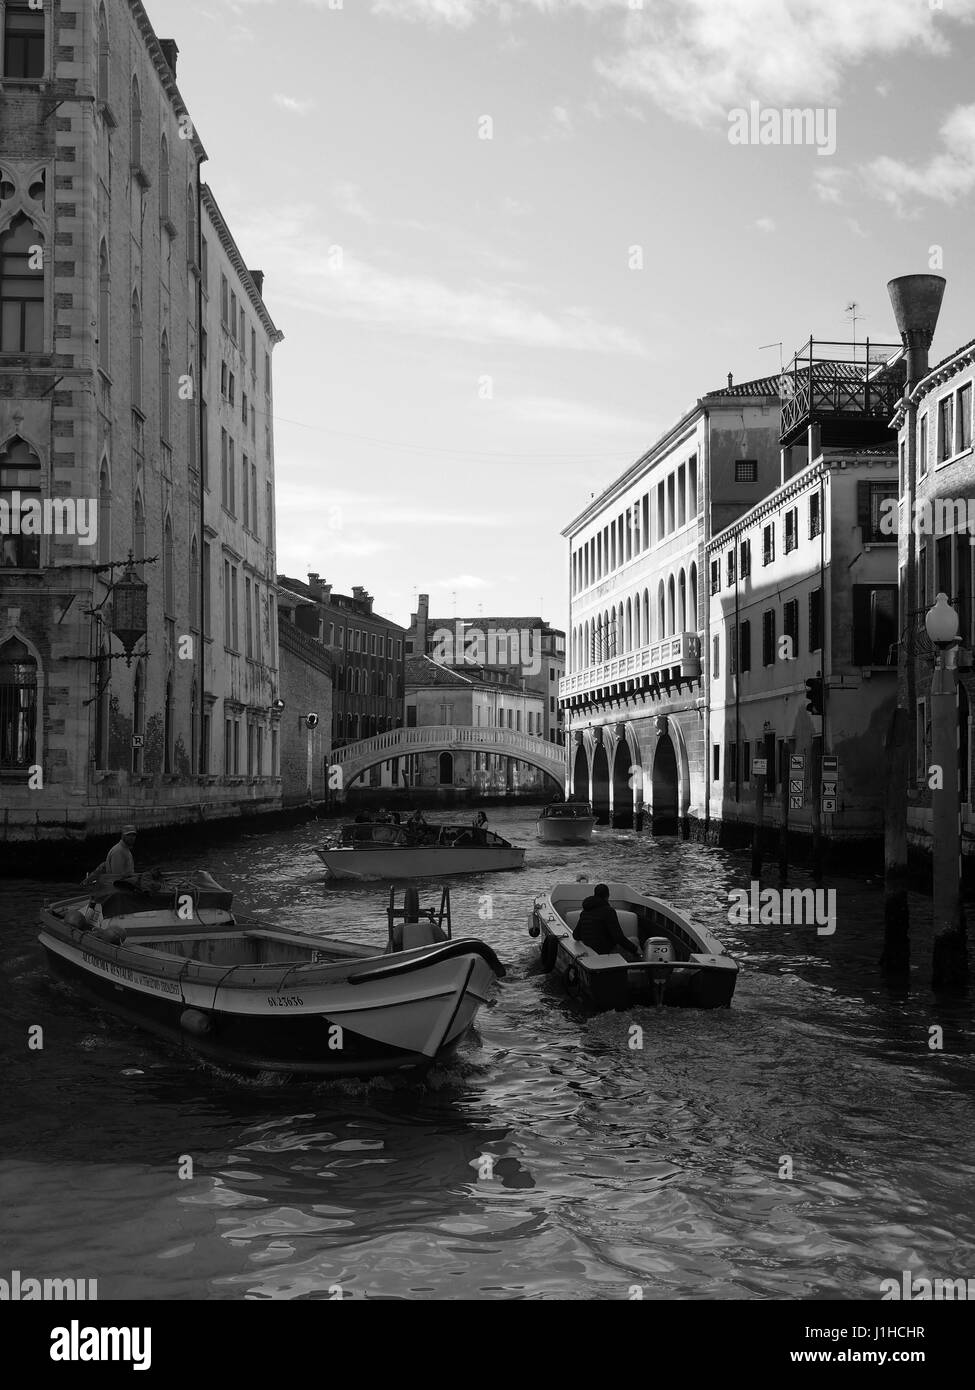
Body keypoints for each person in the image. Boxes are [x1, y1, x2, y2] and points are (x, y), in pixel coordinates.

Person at [572, 883, 640, 959]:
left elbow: (576, 935)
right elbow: (619, 937)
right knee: (635, 940)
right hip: (605, 951)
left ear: (595, 894)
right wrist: (635, 949)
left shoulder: (584, 912)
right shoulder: (609, 912)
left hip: (590, 949)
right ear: (607, 896)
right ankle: (642, 965)